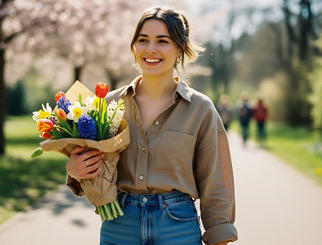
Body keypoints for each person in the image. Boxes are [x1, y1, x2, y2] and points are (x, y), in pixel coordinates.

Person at [65, 6, 237, 245]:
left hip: (178, 228)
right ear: (134, 47)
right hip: (119, 226)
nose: (151, 49)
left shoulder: (200, 109)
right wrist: (75, 170)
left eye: (162, 41)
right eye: (143, 40)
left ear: (180, 49)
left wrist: (219, 236)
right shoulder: (109, 105)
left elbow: (215, 180)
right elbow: (95, 166)